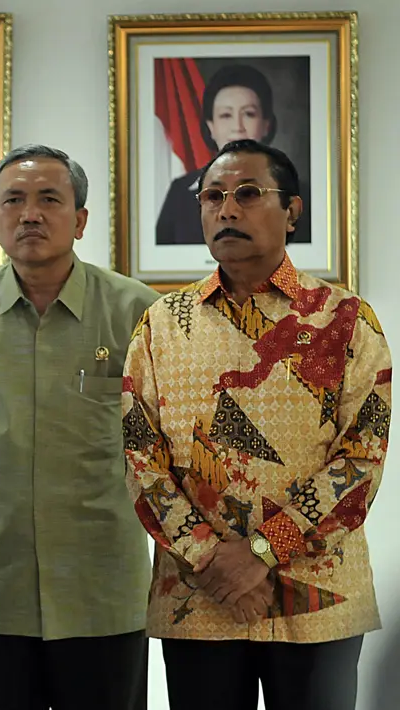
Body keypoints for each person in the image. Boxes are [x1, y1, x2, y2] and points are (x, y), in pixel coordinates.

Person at [123, 139, 391, 710]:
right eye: (213, 197)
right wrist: (211, 558)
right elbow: (140, 458)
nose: (226, 210)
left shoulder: (346, 319)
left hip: (319, 595)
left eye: (248, 194)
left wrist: (262, 551)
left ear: (292, 211)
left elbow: (360, 462)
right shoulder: (161, 325)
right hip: (199, 598)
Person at [0, 144, 158, 710]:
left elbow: (165, 438)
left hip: (99, 576)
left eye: (49, 199)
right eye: (14, 200)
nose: (30, 213)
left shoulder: (137, 311)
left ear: (79, 219)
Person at [156, 63, 311, 246]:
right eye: (226, 115)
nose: (238, 126)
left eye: (249, 114)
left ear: (266, 124)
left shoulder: (301, 192)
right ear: (210, 127)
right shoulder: (179, 192)